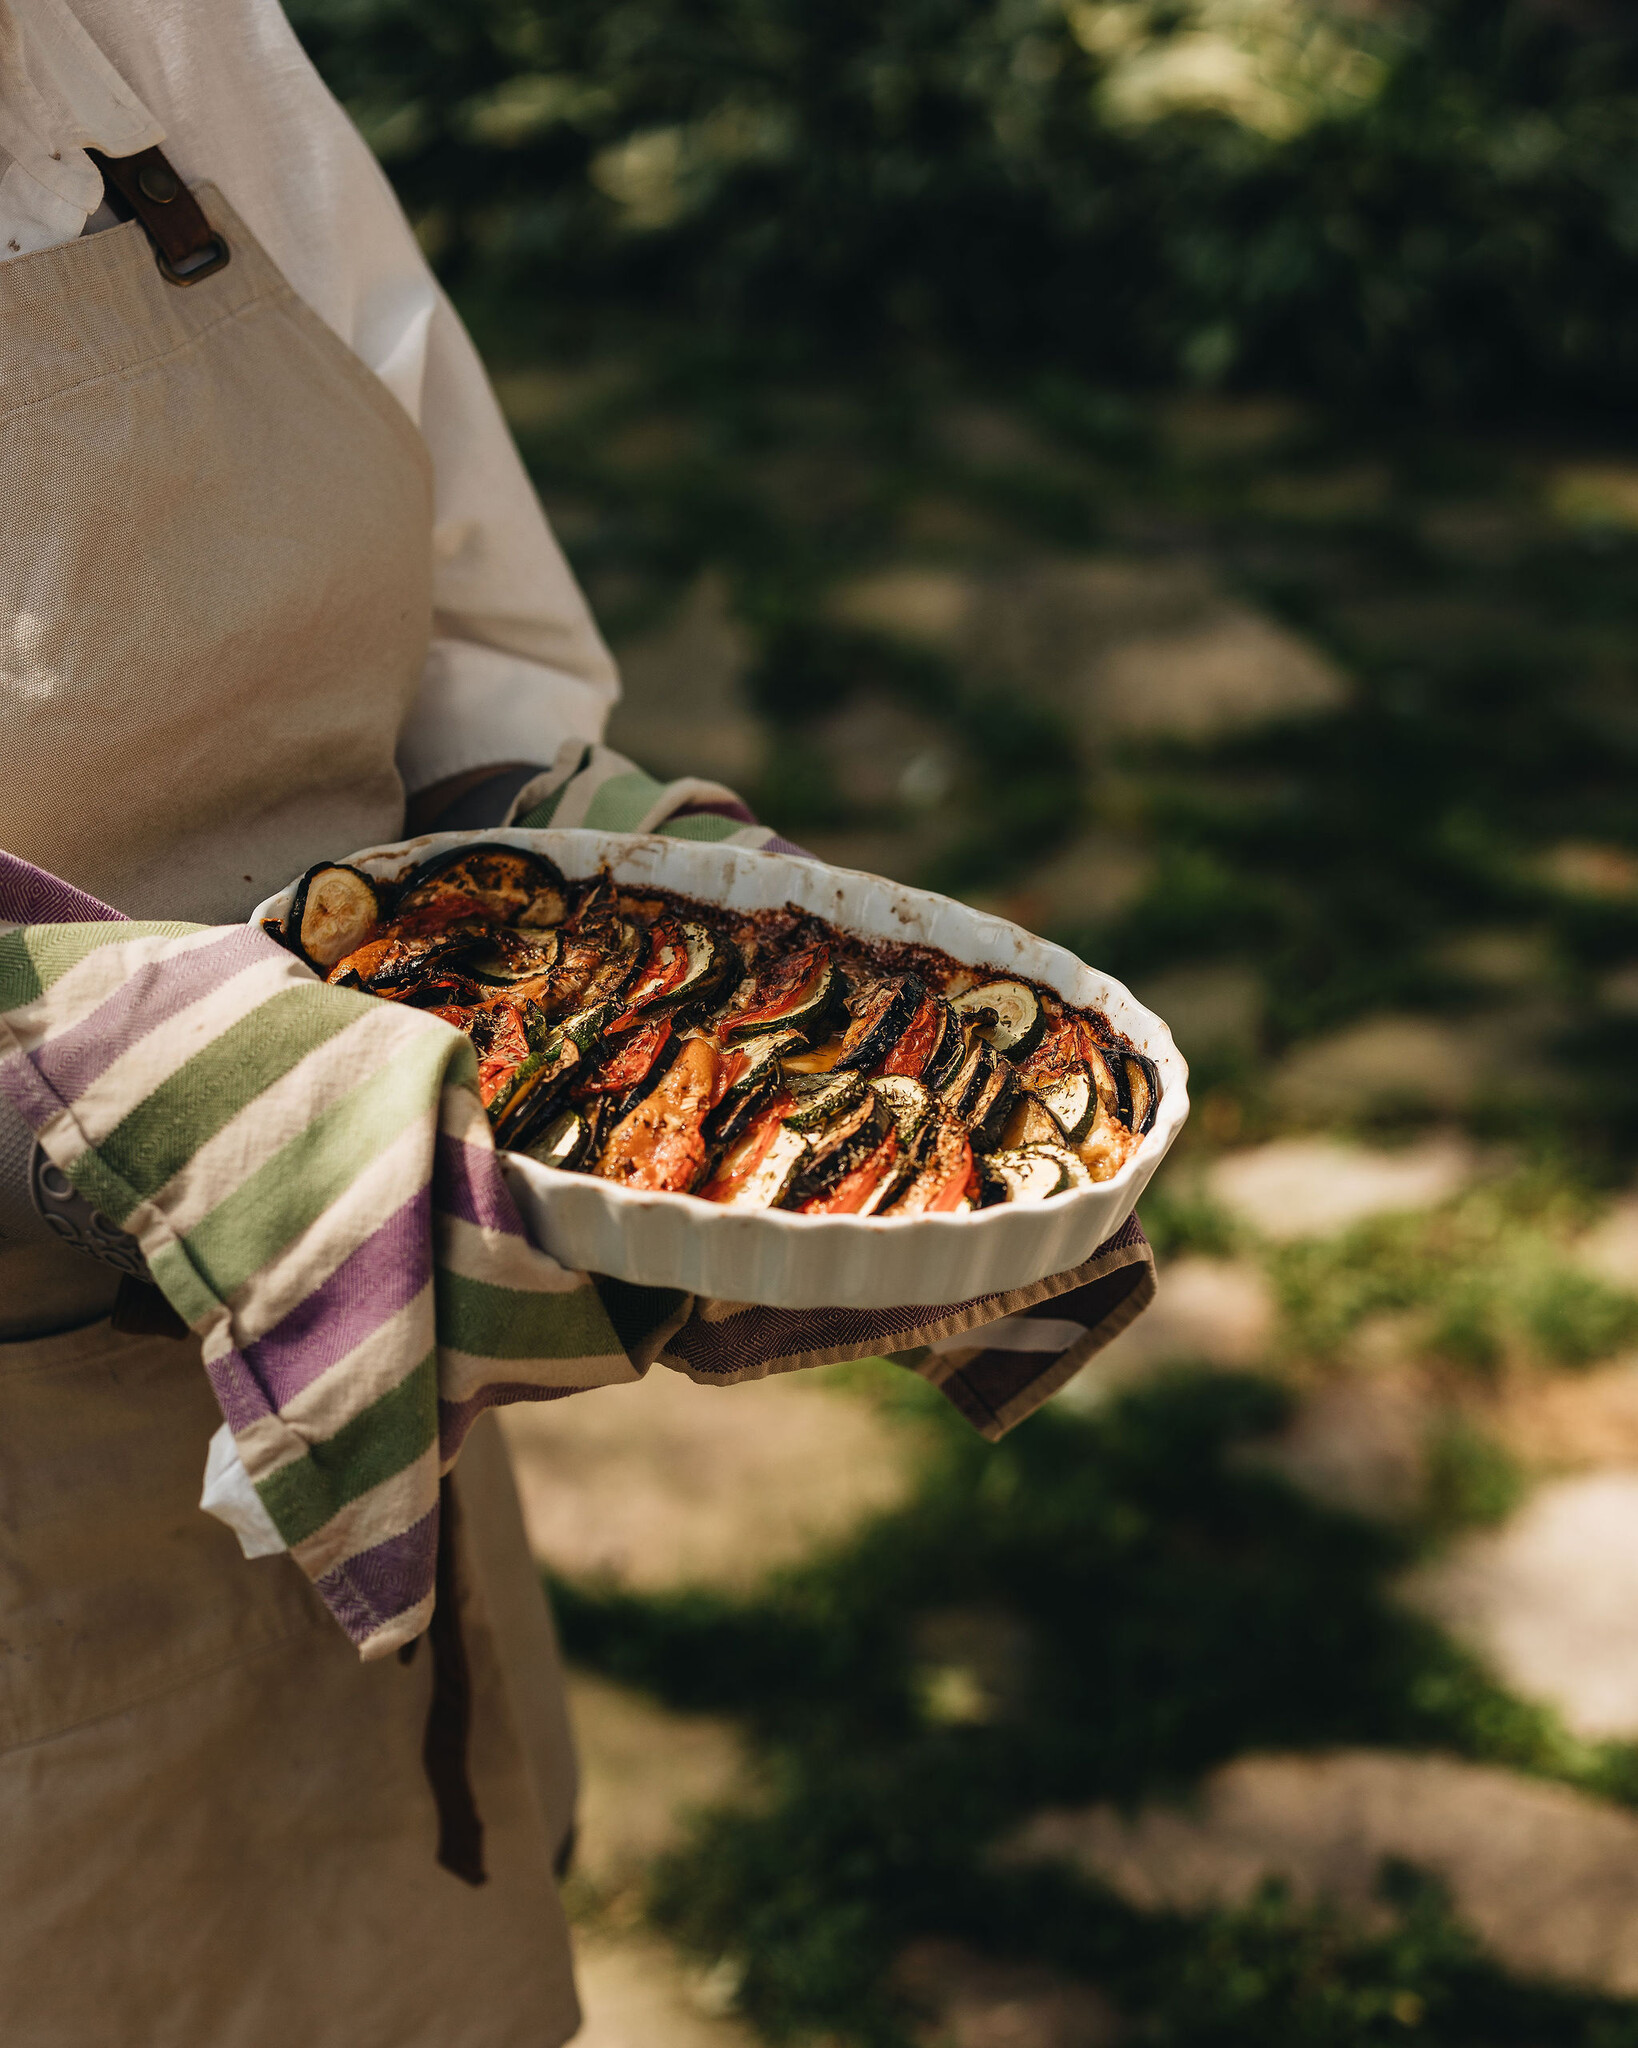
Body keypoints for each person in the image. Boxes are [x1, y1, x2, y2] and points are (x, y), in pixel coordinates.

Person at [0, 1, 612, 2039]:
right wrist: (79, 1072)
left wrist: (586, 883)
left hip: (380, 1391)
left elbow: (464, 619)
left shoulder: (136, 41)